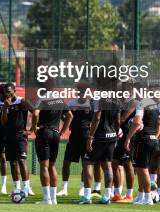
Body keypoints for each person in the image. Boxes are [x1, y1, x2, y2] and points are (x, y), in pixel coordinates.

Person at [80, 76, 120, 205]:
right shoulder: (116, 99)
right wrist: (115, 133)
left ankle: (86, 197)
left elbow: (97, 117)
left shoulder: (98, 97)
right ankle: (107, 197)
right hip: (111, 136)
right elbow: (118, 121)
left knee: (88, 162)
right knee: (107, 165)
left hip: (99, 136)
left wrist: (90, 137)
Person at [32, 83, 71, 205]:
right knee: (52, 166)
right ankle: (53, 199)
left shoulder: (42, 99)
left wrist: (34, 127)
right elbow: (70, 115)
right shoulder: (59, 99)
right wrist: (62, 132)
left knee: (44, 166)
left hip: (44, 132)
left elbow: (35, 114)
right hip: (55, 134)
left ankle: (46, 199)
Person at [124, 87, 160, 206]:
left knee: (142, 168)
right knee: (140, 168)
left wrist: (128, 138)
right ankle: (141, 196)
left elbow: (137, 123)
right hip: (152, 140)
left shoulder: (142, 104)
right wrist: (155, 136)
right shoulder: (154, 105)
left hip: (143, 140)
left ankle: (148, 197)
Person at [57, 80, 92, 197]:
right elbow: (64, 116)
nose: (81, 93)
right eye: (80, 90)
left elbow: (96, 120)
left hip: (86, 138)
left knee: (85, 164)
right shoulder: (71, 103)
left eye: (84, 90)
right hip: (74, 137)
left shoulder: (91, 104)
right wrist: (68, 123)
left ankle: (82, 188)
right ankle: (64, 188)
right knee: (66, 163)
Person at [0, 83, 34, 196]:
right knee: (13, 163)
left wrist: (31, 130)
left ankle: (26, 187)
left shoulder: (22, 101)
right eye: (5, 92)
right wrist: (5, 108)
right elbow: (3, 122)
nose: (7, 94)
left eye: (9, 91)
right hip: (8, 137)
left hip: (20, 137)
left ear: (14, 90)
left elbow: (35, 113)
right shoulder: (5, 103)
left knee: (21, 160)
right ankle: (17, 188)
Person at [111, 82, 137, 203]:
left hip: (128, 137)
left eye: (124, 89)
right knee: (114, 163)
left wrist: (110, 125)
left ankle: (129, 194)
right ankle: (117, 194)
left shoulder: (134, 102)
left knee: (127, 165)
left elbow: (122, 118)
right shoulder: (119, 101)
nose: (121, 91)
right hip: (117, 136)